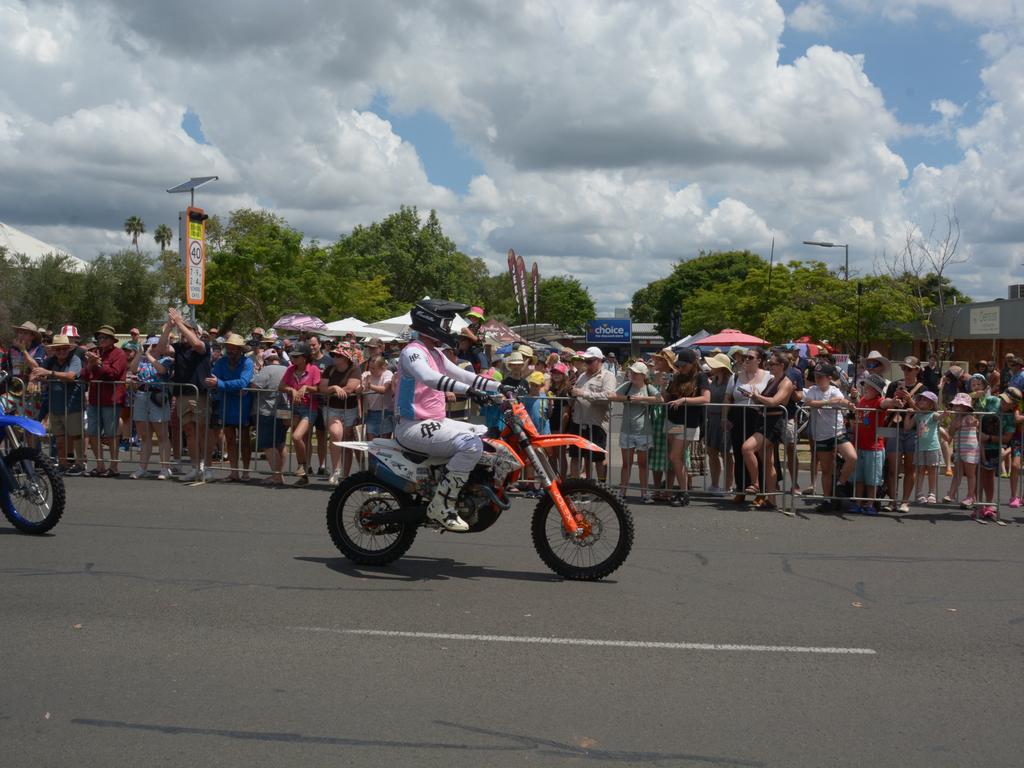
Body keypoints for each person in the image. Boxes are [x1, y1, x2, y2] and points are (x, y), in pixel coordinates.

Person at [392, 300, 501, 532]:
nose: (449, 328)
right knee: (471, 445)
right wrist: (468, 391)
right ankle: (443, 503)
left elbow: (466, 376)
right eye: (446, 322)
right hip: (413, 425)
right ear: (431, 322)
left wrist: (501, 388)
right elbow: (429, 377)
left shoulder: (436, 353)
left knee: (484, 434)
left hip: (433, 423)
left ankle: (464, 489)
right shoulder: (412, 351)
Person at [155, 309, 213, 482]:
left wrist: (180, 322)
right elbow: (159, 350)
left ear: (196, 332)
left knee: (201, 430)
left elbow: (196, 344)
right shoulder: (178, 347)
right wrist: (169, 327)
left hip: (199, 395)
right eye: (181, 330)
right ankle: (196, 467)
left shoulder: (203, 346)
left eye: (187, 329)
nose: (182, 332)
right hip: (182, 395)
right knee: (189, 432)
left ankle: (206, 466)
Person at [743, 351, 796, 510]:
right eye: (769, 364)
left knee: (747, 448)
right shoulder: (774, 380)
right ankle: (772, 500)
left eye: (772, 364)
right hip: (764, 419)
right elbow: (765, 399)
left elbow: (774, 401)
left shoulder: (786, 382)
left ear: (781, 366)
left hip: (772, 423)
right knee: (768, 462)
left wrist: (757, 396)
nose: (768, 366)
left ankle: (755, 483)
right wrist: (754, 396)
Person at [802, 363, 856, 511]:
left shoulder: (835, 390)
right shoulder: (812, 390)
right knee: (826, 470)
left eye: (821, 377)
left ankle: (841, 483)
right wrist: (827, 402)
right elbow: (810, 402)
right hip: (821, 434)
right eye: (816, 377)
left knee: (852, 457)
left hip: (838, 432)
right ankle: (827, 499)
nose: (818, 379)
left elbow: (841, 401)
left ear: (829, 378)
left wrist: (850, 403)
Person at [30, 334, 85, 475]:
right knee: (59, 439)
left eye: (64, 348)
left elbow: (71, 376)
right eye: (58, 349)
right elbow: (36, 372)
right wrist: (33, 380)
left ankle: (80, 464)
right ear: (54, 350)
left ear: (69, 348)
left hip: (72, 405)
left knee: (76, 436)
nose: (61, 351)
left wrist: (49, 373)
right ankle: (63, 464)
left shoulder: (75, 359)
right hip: (55, 406)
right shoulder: (50, 360)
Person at [663, 348, 710, 506]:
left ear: (692, 363)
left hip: (689, 423)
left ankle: (684, 492)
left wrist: (684, 400)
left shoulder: (701, 376)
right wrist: (660, 385)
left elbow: (705, 398)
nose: (680, 368)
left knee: (675, 457)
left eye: (683, 365)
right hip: (673, 422)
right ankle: (682, 490)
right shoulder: (677, 377)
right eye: (679, 365)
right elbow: (666, 396)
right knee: (677, 458)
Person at [608, 361, 660, 502]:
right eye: (632, 372)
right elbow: (611, 396)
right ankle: (622, 492)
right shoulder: (627, 385)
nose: (633, 375)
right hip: (627, 430)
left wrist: (643, 399)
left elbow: (659, 399)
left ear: (643, 375)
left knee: (643, 464)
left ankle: (644, 493)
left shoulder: (648, 387)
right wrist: (629, 398)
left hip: (643, 431)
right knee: (627, 464)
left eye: (636, 373)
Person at [81, 325, 128, 477]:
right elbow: (83, 376)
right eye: (99, 338)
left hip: (111, 399)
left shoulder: (119, 353)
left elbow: (114, 374)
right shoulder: (94, 353)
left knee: (111, 434)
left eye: (105, 337)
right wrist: (90, 364)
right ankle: (100, 465)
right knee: (93, 432)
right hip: (95, 398)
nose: (101, 340)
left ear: (112, 340)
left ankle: (114, 467)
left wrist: (99, 364)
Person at [724, 348, 770, 504]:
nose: (746, 360)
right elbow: (728, 398)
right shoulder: (735, 376)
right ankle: (741, 489)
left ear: (759, 360)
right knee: (738, 453)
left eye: (750, 357)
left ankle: (761, 492)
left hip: (758, 417)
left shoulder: (768, 377)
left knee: (757, 454)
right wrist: (725, 417)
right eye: (745, 357)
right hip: (738, 416)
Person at [881, 356, 925, 513]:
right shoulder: (894, 385)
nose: (906, 371)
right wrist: (895, 401)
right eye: (904, 368)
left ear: (917, 370)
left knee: (909, 468)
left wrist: (910, 401)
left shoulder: (922, 389)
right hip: (894, 428)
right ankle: (893, 501)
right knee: (893, 467)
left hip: (912, 430)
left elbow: (924, 413)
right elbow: (884, 404)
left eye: (909, 369)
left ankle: (905, 502)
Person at [208, 334, 254, 481]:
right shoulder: (221, 362)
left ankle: (245, 471)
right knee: (230, 438)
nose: (230, 351)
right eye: (228, 348)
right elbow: (212, 379)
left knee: (245, 440)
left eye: (233, 348)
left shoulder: (248, 363)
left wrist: (222, 384)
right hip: (226, 405)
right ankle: (234, 472)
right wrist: (224, 385)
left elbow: (243, 382)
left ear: (240, 349)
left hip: (243, 406)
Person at [128, 335, 174, 479]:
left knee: (162, 435)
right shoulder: (142, 359)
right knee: (145, 436)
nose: (151, 348)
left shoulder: (167, 360)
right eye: (149, 345)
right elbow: (133, 369)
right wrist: (141, 353)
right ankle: (142, 468)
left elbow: (161, 370)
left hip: (158, 396)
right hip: (142, 395)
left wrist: (149, 355)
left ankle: (165, 468)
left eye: (154, 346)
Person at [569, 346, 617, 483]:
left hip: (597, 423)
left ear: (599, 360)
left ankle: (601, 488)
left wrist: (583, 394)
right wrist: (571, 392)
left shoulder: (608, 376)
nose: (587, 363)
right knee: (575, 456)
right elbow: (575, 392)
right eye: (586, 361)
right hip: (578, 421)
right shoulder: (583, 375)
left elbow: (608, 396)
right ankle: (575, 486)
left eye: (590, 361)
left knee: (598, 458)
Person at [279, 341, 321, 486]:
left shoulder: (314, 369)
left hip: (309, 409)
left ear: (304, 357)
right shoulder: (290, 369)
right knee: (302, 440)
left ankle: (302, 465)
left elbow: (318, 389)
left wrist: (306, 388)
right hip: (294, 408)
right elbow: (281, 386)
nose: (293, 359)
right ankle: (304, 475)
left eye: (296, 356)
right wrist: (292, 390)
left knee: (296, 437)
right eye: (292, 356)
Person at [320, 343, 362, 485]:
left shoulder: (355, 369)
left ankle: (345, 475)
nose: (335, 357)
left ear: (346, 358)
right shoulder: (329, 370)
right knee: (336, 433)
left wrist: (335, 390)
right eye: (334, 354)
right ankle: (336, 470)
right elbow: (322, 388)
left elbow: (350, 389)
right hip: (332, 408)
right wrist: (334, 387)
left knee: (347, 441)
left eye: (338, 355)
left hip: (350, 409)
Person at [851, 373, 888, 515]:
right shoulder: (862, 401)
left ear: (877, 391)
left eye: (869, 387)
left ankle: (870, 503)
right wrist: (854, 398)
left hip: (874, 447)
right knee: (859, 477)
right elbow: (856, 407)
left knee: (872, 478)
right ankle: (859, 502)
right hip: (859, 445)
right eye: (864, 386)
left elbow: (886, 403)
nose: (865, 389)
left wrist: (894, 402)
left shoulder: (879, 401)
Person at [251, 348, 289, 486]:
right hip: (284, 410)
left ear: (266, 360)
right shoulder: (287, 369)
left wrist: (258, 370)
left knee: (267, 444)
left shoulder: (266, 370)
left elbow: (255, 385)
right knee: (281, 443)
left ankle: (277, 475)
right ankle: (279, 473)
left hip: (267, 410)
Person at [703, 353, 734, 495]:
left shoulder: (730, 381)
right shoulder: (713, 380)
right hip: (712, 419)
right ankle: (714, 484)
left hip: (725, 420)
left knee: (726, 453)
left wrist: (725, 417)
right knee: (712, 451)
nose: (710, 366)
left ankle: (727, 486)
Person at [945, 393, 979, 509]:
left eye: (961, 405)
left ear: (967, 407)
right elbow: (950, 434)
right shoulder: (954, 419)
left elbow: (974, 423)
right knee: (957, 473)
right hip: (958, 449)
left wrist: (973, 423)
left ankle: (970, 496)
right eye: (956, 405)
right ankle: (951, 494)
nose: (957, 407)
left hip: (970, 449)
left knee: (970, 474)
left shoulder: (969, 417)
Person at [307, 335, 332, 477]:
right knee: (307, 435)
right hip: (309, 401)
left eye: (314, 345)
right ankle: (307, 465)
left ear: (320, 345)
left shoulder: (328, 360)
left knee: (322, 435)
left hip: (323, 402)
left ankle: (322, 465)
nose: (312, 347)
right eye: (309, 345)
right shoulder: (306, 361)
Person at [911, 390, 941, 504]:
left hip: (932, 447)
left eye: (925, 400)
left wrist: (944, 414)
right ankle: (919, 492)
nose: (922, 401)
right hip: (920, 447)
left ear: (932, 404)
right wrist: (909, 415)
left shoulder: (933, 414)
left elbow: (939, 417)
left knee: (932, 470)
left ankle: (932, 493)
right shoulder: (917, 415)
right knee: (920, 470)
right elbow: (908, 426)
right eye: (921, 399)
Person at [361, 355, 394, 441]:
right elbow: (359, 389)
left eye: (374, 368)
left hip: (385, 413)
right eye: (370, 367)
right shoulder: (366, 374)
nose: (371, 370)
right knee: (371, 444)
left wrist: (369, 386)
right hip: (371, 413)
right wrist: (361, 386)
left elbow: (384, 389)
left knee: (384, 443)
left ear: (382, 368)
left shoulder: (387, 374)